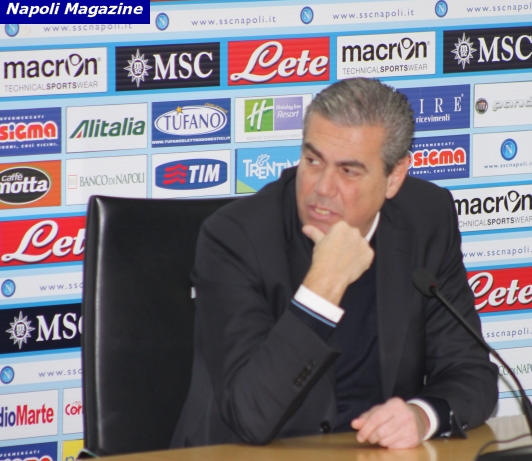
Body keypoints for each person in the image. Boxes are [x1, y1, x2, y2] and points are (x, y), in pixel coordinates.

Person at [171, 78, 498, 449]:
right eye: (313, 161)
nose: (322, 188)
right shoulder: (235, 237)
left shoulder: (426, 218)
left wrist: (421, 416)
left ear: (394, 177)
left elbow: (470, 371)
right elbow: (250, 415)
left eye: (348, 171)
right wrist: (322, 288)